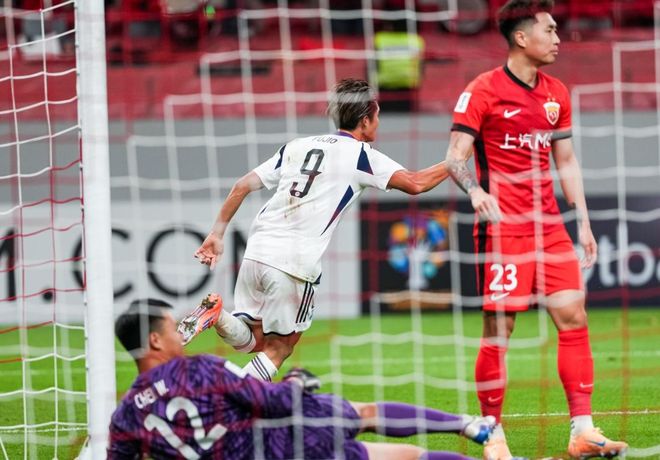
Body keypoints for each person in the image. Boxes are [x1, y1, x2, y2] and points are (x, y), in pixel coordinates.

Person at [444, 1, 627, 459]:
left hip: (549, 228)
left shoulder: (557, 93)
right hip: (503, 231)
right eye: (550, 30)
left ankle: (583, 431)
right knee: (499, 329)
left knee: (574, 317)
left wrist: (582, 219)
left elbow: (566, 160)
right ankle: (492, 434)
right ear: (522, 37)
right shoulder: (482, 90)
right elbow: (455, 157)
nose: (558, 38)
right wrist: (474, 191)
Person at [186, 78, 449, 382]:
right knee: (280, 348)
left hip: (256, 252)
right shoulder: (361, 155)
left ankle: (217, 315)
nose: (378, 123)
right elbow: (416, 183)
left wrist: (216, 234)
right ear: (365, 120)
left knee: (252, 340)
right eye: (377, 116)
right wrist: (455, 162)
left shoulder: (297, 146)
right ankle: (235, 400)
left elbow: (242, 185)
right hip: (294, 263)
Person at [108, 298, 496, 459]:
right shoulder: (198, 369)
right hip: (287, 441)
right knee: (374, 423)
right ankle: (469, 425)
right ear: (155, 340)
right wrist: (295, 381)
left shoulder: (124, 418)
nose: (181, 336)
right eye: (174, 329)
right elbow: (273, 402)